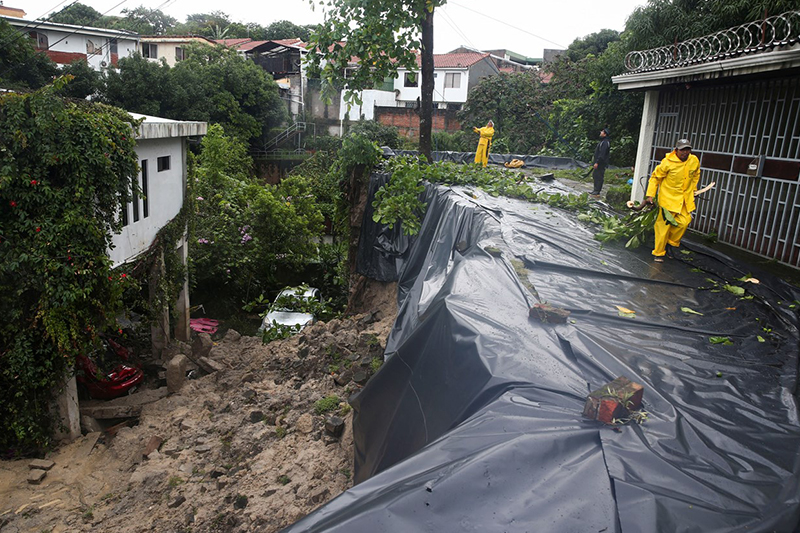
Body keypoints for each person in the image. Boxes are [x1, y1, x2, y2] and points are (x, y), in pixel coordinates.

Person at [645, 138, 701, 262]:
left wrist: (694, 189)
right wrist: (650, 195)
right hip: (668, 200)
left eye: (688, 149)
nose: (685, 152)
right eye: (682, 150)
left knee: (684, 222)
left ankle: (671, 244)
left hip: (684, 200)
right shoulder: (667, 163)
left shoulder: (694, 160)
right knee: (663, 227)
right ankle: (659, 253)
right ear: (676, 150)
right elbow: (655, 178)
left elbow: (696, 174)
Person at [590, 127, 610, 196]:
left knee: (599, 176)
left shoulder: (605, 143)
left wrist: (597, 162)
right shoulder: (602, 142)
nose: (600, 132)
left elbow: (602, 154)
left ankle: (597, 191)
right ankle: (595, 190)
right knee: (595, 175)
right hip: (599, 162)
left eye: (602, 131)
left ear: (605, 134)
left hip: (601, 163)